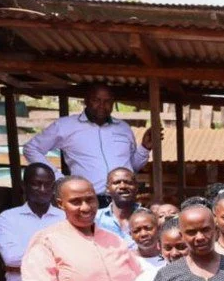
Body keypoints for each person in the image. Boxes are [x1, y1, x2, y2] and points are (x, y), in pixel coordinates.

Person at [23, 83, 155, 197]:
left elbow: (131, 167)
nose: (102, 105)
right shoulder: (65, 126)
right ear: (86, 101)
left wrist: (144, 148)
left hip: (124, 200)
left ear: (113, 103)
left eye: (107, 101)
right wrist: (58, 178)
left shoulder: (123, 128)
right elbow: (31, 149)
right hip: (87, 200)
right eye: (96, 100)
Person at [94, 167, 143, 244]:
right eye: (116, 183)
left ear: (136, 187)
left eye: (128, 182)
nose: (123, 186)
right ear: (107, 189)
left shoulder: (149, 217)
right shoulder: (96, 219)